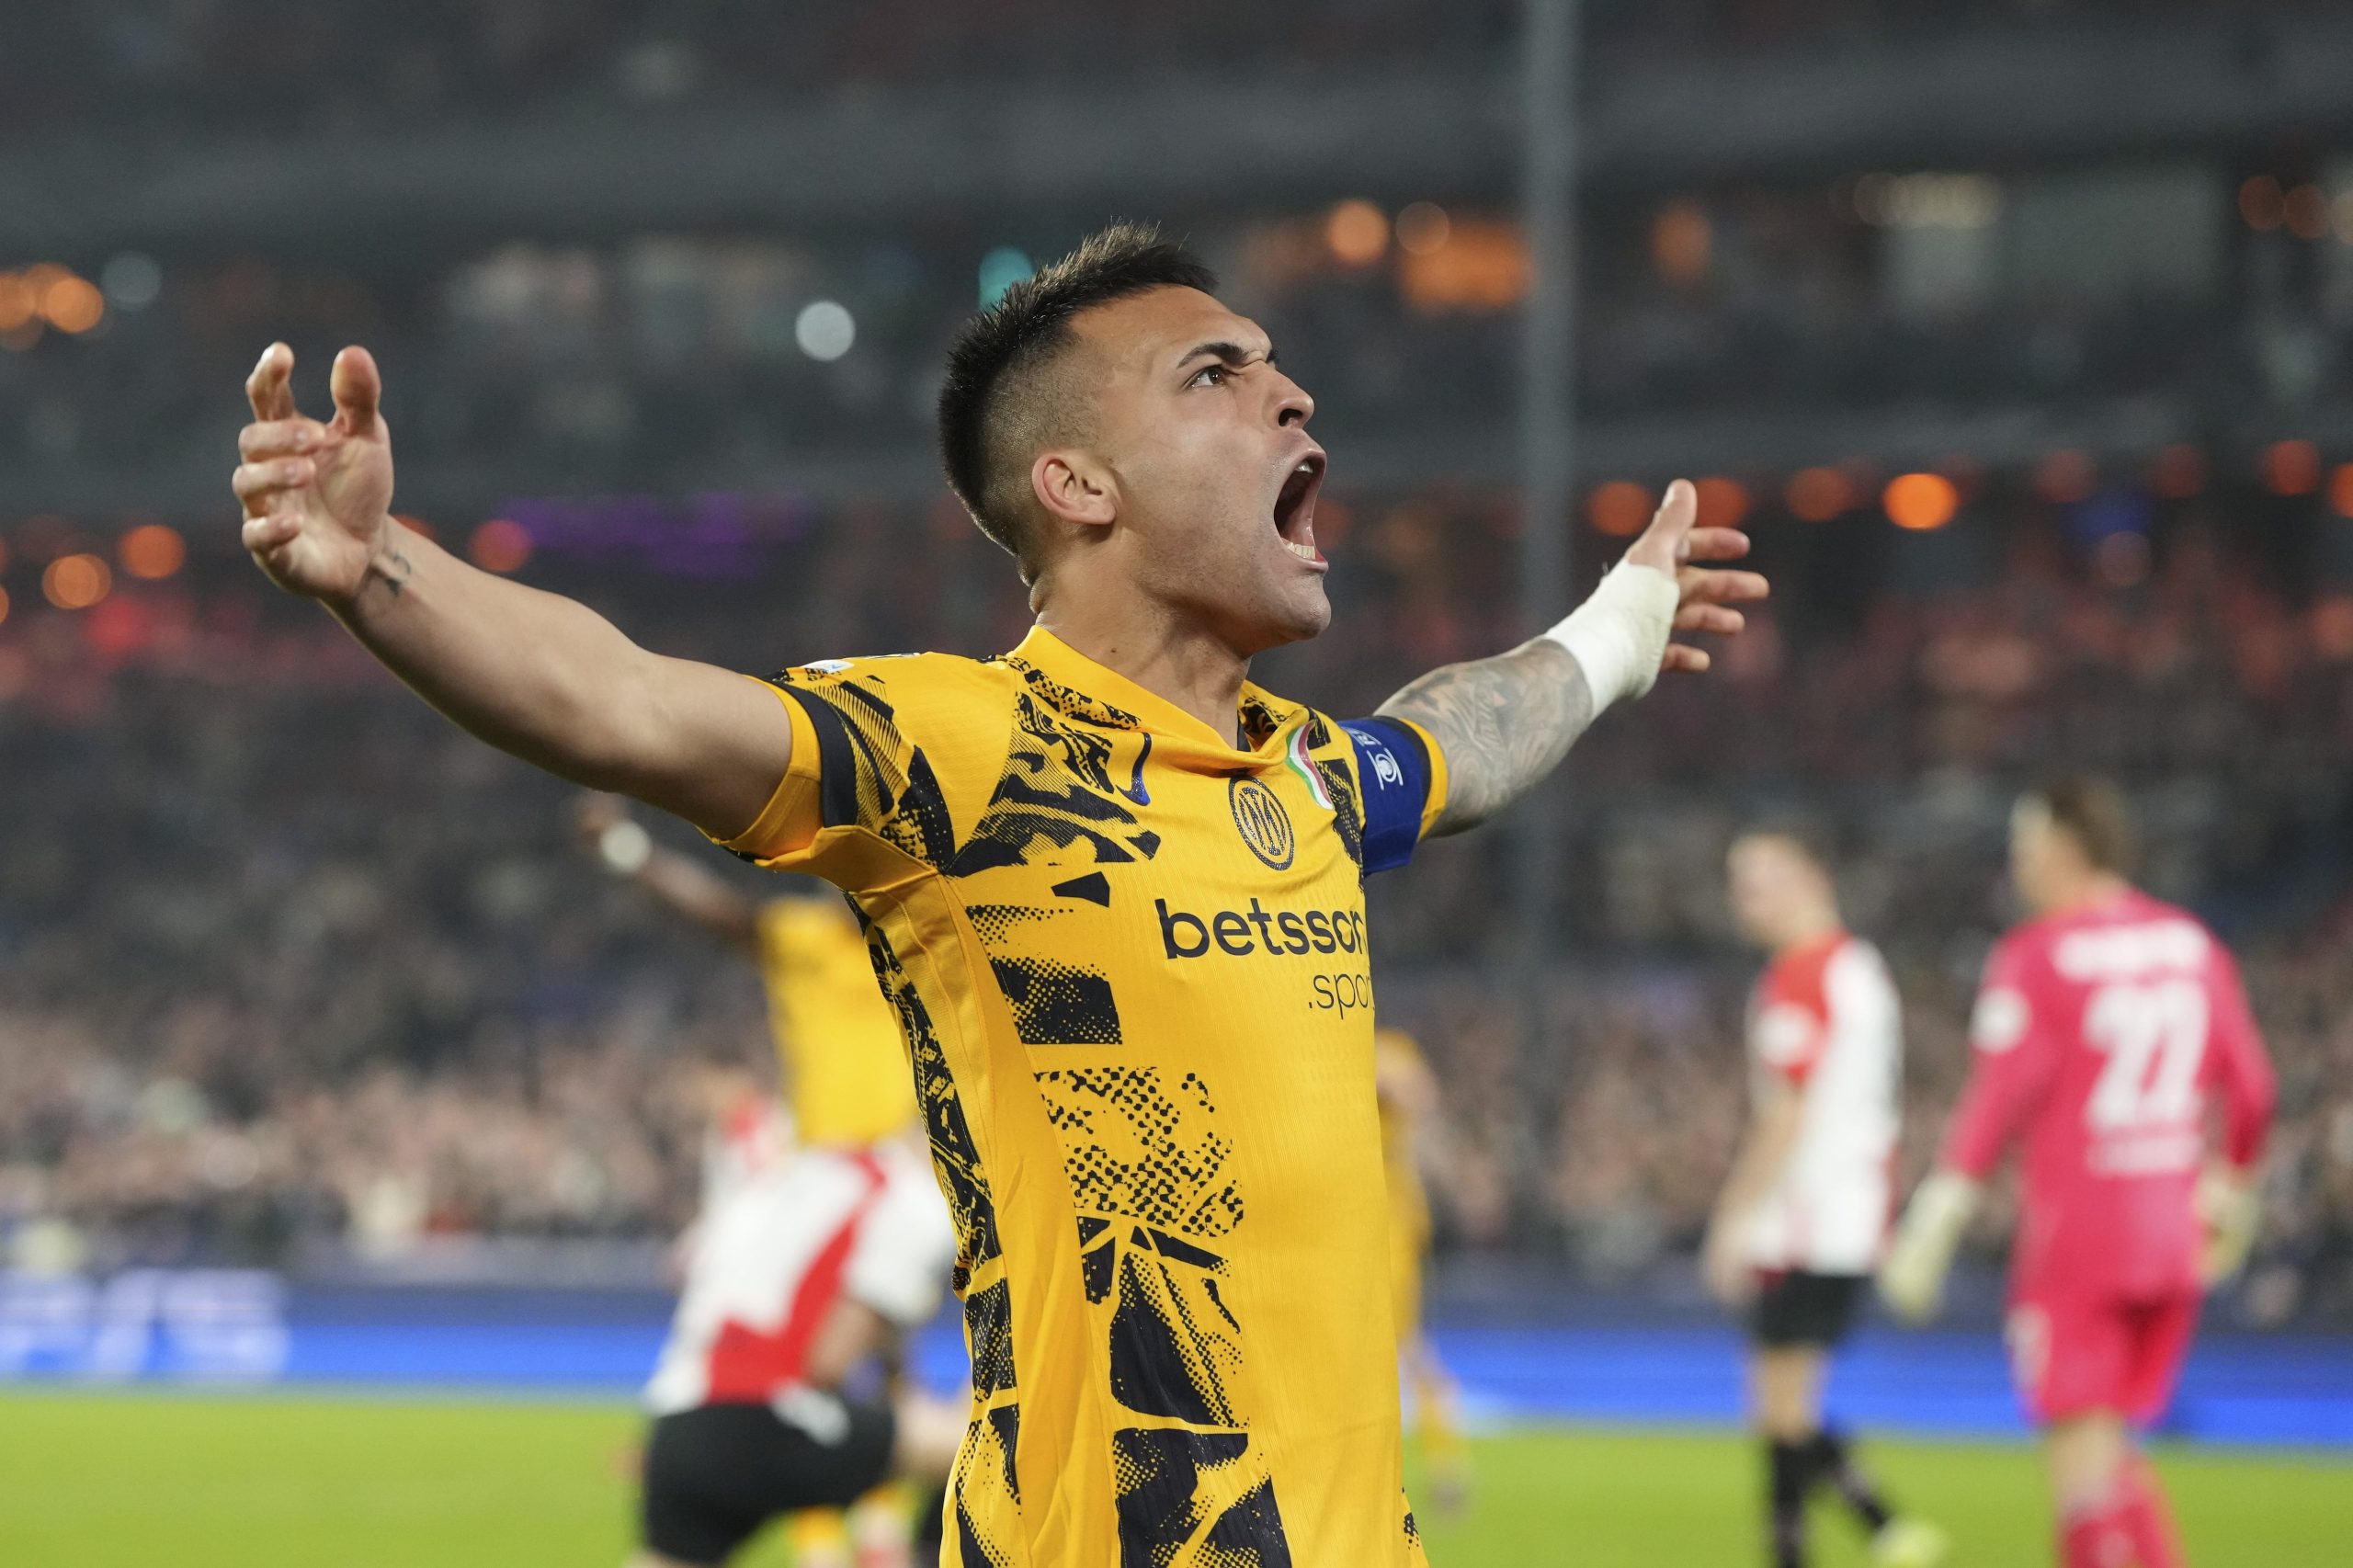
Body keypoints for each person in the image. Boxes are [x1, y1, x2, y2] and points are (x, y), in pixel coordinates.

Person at [230, 222, 1766, 1567]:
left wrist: (1625, 623)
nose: (1293, 394)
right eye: (1216, 376)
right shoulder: (960, 752)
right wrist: (382, 574)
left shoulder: (1302, 781)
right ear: (1077, 483)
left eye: (1276, 366)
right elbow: (628, 705)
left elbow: (1465, 740)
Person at [1881, 779, 2278, 1568]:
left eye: (2025, 847)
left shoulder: (2038, 955)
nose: (2017, 864)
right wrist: (2231, 1193)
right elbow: (2255, 1091)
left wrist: (1940, 1211)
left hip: (2081, 1242)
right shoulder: (2189, 942)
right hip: (2171, 1238)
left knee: (2079, 1476)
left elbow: (1999, 1098)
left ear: (2066, 846)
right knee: (2112, 1453)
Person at [575, 796, 961, 1568]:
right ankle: (893, 1544)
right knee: (976, 1445)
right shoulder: (822, 945)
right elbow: (721, 916)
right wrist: (626, 851)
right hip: (866, 1206)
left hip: (679, 1420)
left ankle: (865, 1526)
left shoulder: (758, 1192)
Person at [1702, 830, 1947, 1568]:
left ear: (1813, 876)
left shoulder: (1801, 976)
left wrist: (1732, 1219)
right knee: (1783, 1405)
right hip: (1852, 1210)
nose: (1747, 901)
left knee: (1778, 1406)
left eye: (1762, 881)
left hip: (1804, 1216)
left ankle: (1845, 1536)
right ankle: (1879, 1527)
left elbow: (1786, 1114)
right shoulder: (1863, 969)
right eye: (1739, 885)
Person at [1372, 1028, 1469, 1517]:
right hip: (1346, 1219)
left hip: (1389, 1223)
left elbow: (1417, 1093)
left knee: (1400, 1342)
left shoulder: (1387, 1049)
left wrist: (1376, 1080)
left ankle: (1446, 1469)